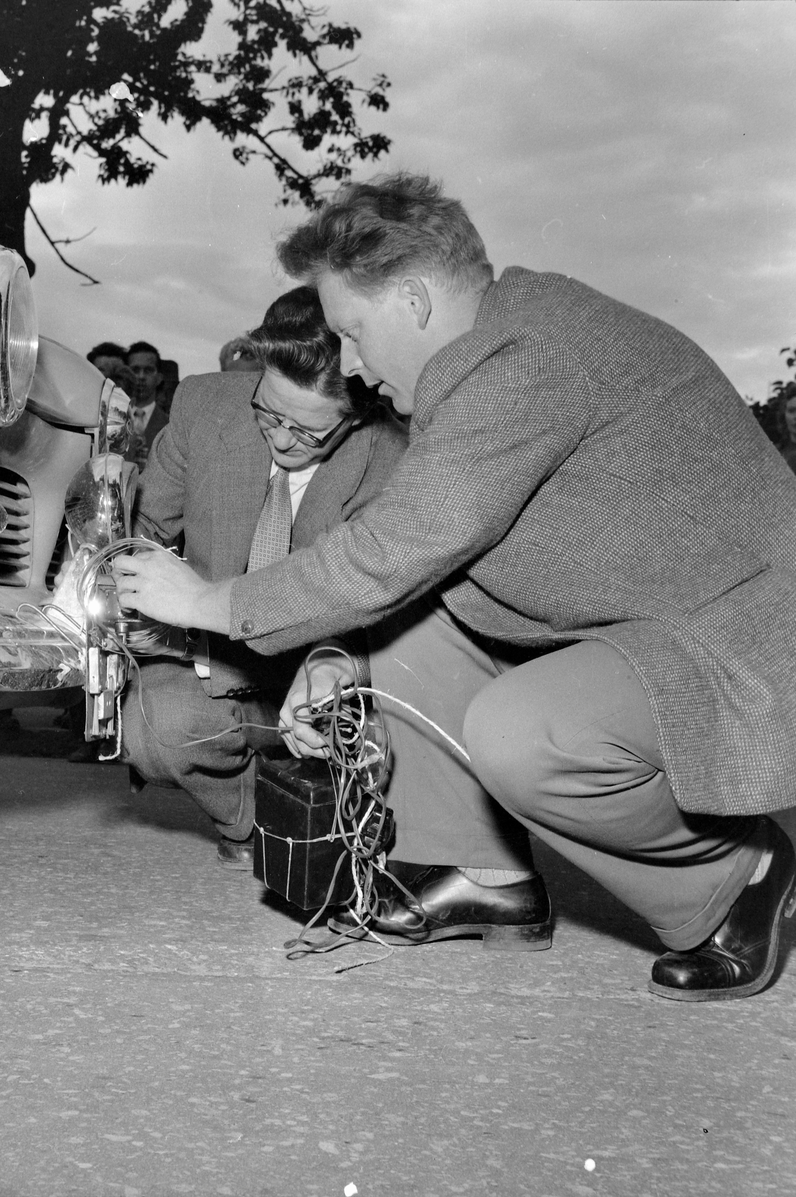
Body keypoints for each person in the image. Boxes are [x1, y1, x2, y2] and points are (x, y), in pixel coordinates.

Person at [114, 171, 796, 1001]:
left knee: (525, 735)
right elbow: (421, 562)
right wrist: (342, 660)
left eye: (354, 333)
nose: (355, 368)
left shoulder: (524, 359)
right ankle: (485, 871)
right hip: (656, 615)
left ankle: (736, 876)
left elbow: (395, 547)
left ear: (413, 299)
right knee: (421, 607)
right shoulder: (509, 339)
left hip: (741, 640)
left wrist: (206, 603)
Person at [120, 287, 407, 867]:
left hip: (325, 669)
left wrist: (342, 663)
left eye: (308, 433)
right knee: (154, 728)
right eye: (268, 413)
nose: (279, 440)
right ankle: (252, 817)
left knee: (388, 750)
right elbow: (141, 527)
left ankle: (331, 809)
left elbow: (390, 605)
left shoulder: (393, 452)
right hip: (215, 666)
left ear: (358, 413)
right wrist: (106, 515)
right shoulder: (206, 405)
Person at [126, 341, 171, 457]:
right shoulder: (111, 420)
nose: (141, 377)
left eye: (148, 370)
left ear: (159, 378)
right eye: (135, 370)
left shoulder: (170, 427)